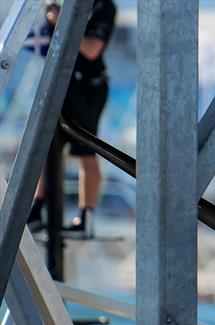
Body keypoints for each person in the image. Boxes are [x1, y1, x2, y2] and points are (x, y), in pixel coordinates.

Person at [26, 0, 116, 239]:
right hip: (62, 83)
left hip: (88, 87)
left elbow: (91, 49)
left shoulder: (103, 7)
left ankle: (87, 217)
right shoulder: (64, 4)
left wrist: (61, 23)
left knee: (85, 152)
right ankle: (37, 210)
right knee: (47, 147)